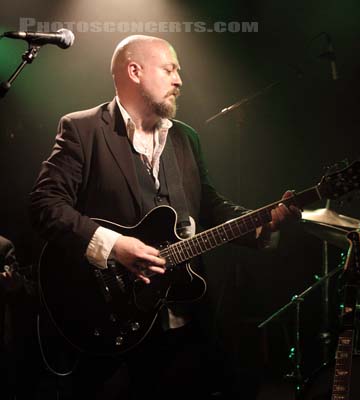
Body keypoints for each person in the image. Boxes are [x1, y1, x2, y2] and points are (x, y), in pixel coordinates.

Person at [29, 35, 300, 399]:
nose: (179, 80)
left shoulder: (185, 138)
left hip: (182, 321)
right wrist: (114, 246)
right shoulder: (83, 129)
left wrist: (260, 221)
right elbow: (46, 204)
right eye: (170, 69)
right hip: (108, 319)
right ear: (135, 71)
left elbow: (209, 206)